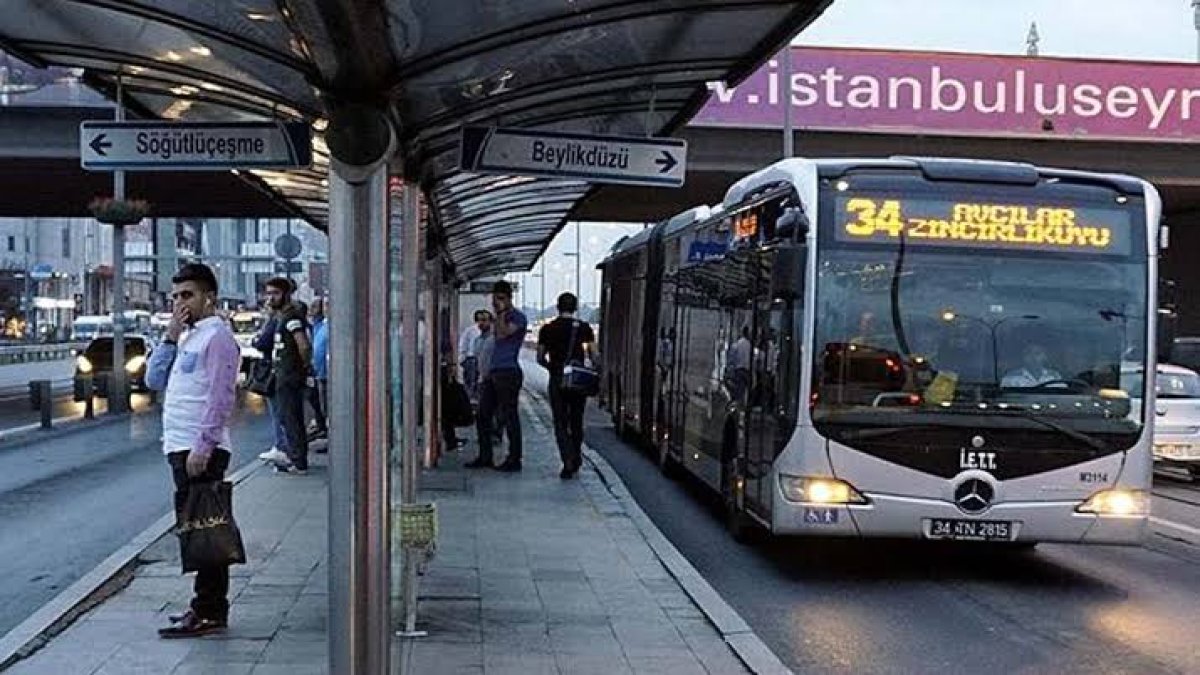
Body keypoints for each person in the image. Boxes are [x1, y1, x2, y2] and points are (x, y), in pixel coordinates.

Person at [146, 263, 240, 638]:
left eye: (187, 295)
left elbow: (221, 395)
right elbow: (154, 379)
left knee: (207, 530)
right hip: (179, 445)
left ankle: (209, 610)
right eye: (175, 297)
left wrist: (204, 445)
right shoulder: (189, 336)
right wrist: (169, 335)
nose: (179, 304)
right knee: (196, 528)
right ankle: (204, 607)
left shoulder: (218, 337)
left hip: (200, 449)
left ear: (208, 297)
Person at [465, 281, 527, 471]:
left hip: (508, 371)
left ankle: (514, 458)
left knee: (509, 416)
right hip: (493, 372)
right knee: (483, 414)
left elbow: (502, 335)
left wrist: (500, 314)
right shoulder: (496, 319)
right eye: (494, 299)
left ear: (509, 298)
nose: (496, 303)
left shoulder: (517, 317)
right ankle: (485, 455)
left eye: (500, 299)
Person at [537, 292, 600, 479]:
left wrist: (552, 367)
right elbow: (594, 355)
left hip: (557, 379)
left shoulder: (547, 329)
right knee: (577, 419)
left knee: (560, 421)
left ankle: (567, 460)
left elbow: (540, 357)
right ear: (575, 308)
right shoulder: (584, 328)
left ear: (558, 307)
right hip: (577, 380)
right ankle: (576, 453)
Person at [263, 278, 312, 474]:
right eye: (268, 293)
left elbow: (304, 345)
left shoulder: (291, 317)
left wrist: (303, 367)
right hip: (283, 374)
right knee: (287, 417)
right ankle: (295, 457)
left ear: (285, 294)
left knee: (291, 418)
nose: (270, 298)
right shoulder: (281, 316)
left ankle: (298, 461)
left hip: (289, 376)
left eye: (275, 293)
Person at [307, 297, 329, 444]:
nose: (311, 311)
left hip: (326, 374)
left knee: (326, 406)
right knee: (321, 405)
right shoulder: (317, 326)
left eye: (315, 307)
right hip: (318, 373)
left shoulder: (327, 326)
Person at [459, 310, 488, 403]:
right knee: (472, 383)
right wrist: (463, 360)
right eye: (480, 319)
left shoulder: (488, 332)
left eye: (484, 319)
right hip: (471, 359)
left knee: (476, 384)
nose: (482, 322)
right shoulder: (471, 330)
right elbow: (463, 345)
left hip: (479, 360)